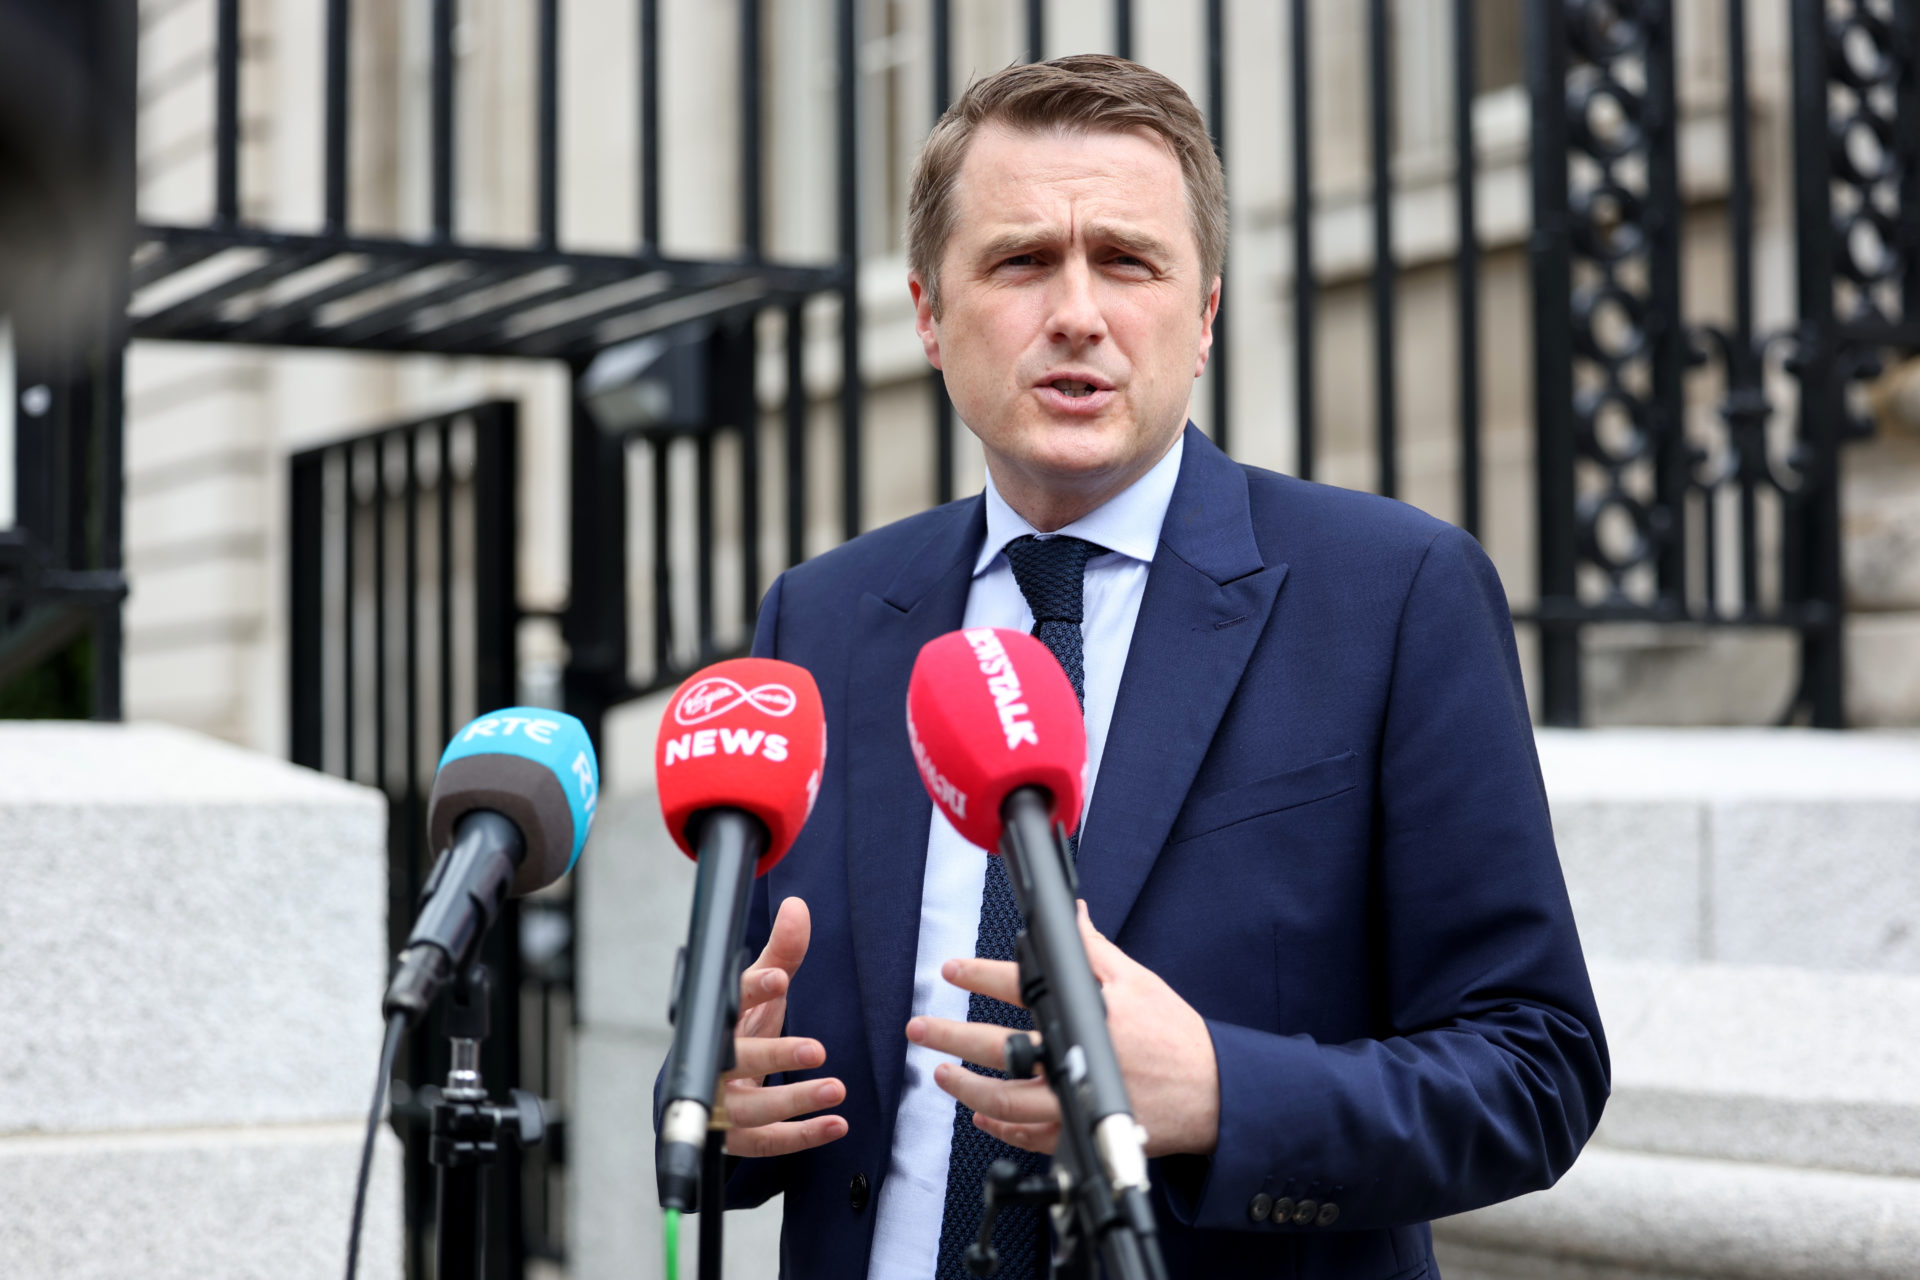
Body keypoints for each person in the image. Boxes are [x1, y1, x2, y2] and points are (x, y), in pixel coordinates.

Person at [661, 54, 1608, 1279]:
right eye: (1020, 261)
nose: (1076, 311)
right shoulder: (825, 617)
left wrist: (1220, 1088)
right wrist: (721, 1095)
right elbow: (736, 1045)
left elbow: (1535, 1067)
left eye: (1125, 260)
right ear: (929, 315)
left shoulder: (1393, 593)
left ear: (1203, 314)